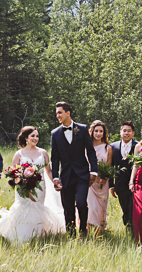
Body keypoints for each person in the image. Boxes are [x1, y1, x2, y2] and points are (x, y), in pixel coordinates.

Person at [0, 126, 65, 243]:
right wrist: (22, 182)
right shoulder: (19, 154)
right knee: (23, 208)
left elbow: (48, 171)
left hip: (40, 187)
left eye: (37, 136)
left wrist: (55, 182)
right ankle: (21, 236)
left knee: (38, 208)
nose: (35, 138)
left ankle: (37, 235)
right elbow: (14, 173)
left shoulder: (43, 153)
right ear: (26, 138)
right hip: (23, 188)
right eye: (33, 136)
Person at [50, 102, 98, 238]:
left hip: (82, 174)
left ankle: (83, 230)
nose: (58, 116)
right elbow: (54, 158)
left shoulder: (82, 129)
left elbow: (90, 151)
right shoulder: (55, 133)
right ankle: (71, 235)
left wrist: (93, 171)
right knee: (68, 208)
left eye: (60, 113)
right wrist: (55, 177)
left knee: (82, 203)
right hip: (65, 176)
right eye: (57, 113)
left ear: (68, 113)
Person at [109, 120, 139, 234]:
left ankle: (133, 231)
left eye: (129, 131)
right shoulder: (113, 146)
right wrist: (111, 185)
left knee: (133, 209)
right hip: (120, 185)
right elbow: (111, 166)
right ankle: (127, 228)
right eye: (124, 130)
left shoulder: (138, 145)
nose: (126, 133)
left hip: (135, 184)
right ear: (120, 132)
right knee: (125, 209)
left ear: (133, 133)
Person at [84, 120, 112, 234]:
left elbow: (109, 166)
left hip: (102, 183)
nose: (98, 133)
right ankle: (87, 231)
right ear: (92, 132)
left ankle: (99, 233)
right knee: (91, 208)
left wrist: (105, 176)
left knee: (100, 208)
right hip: (89, 182)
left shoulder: (107, 148)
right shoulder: (86, 147)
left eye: (101, 131)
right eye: (96, 131)